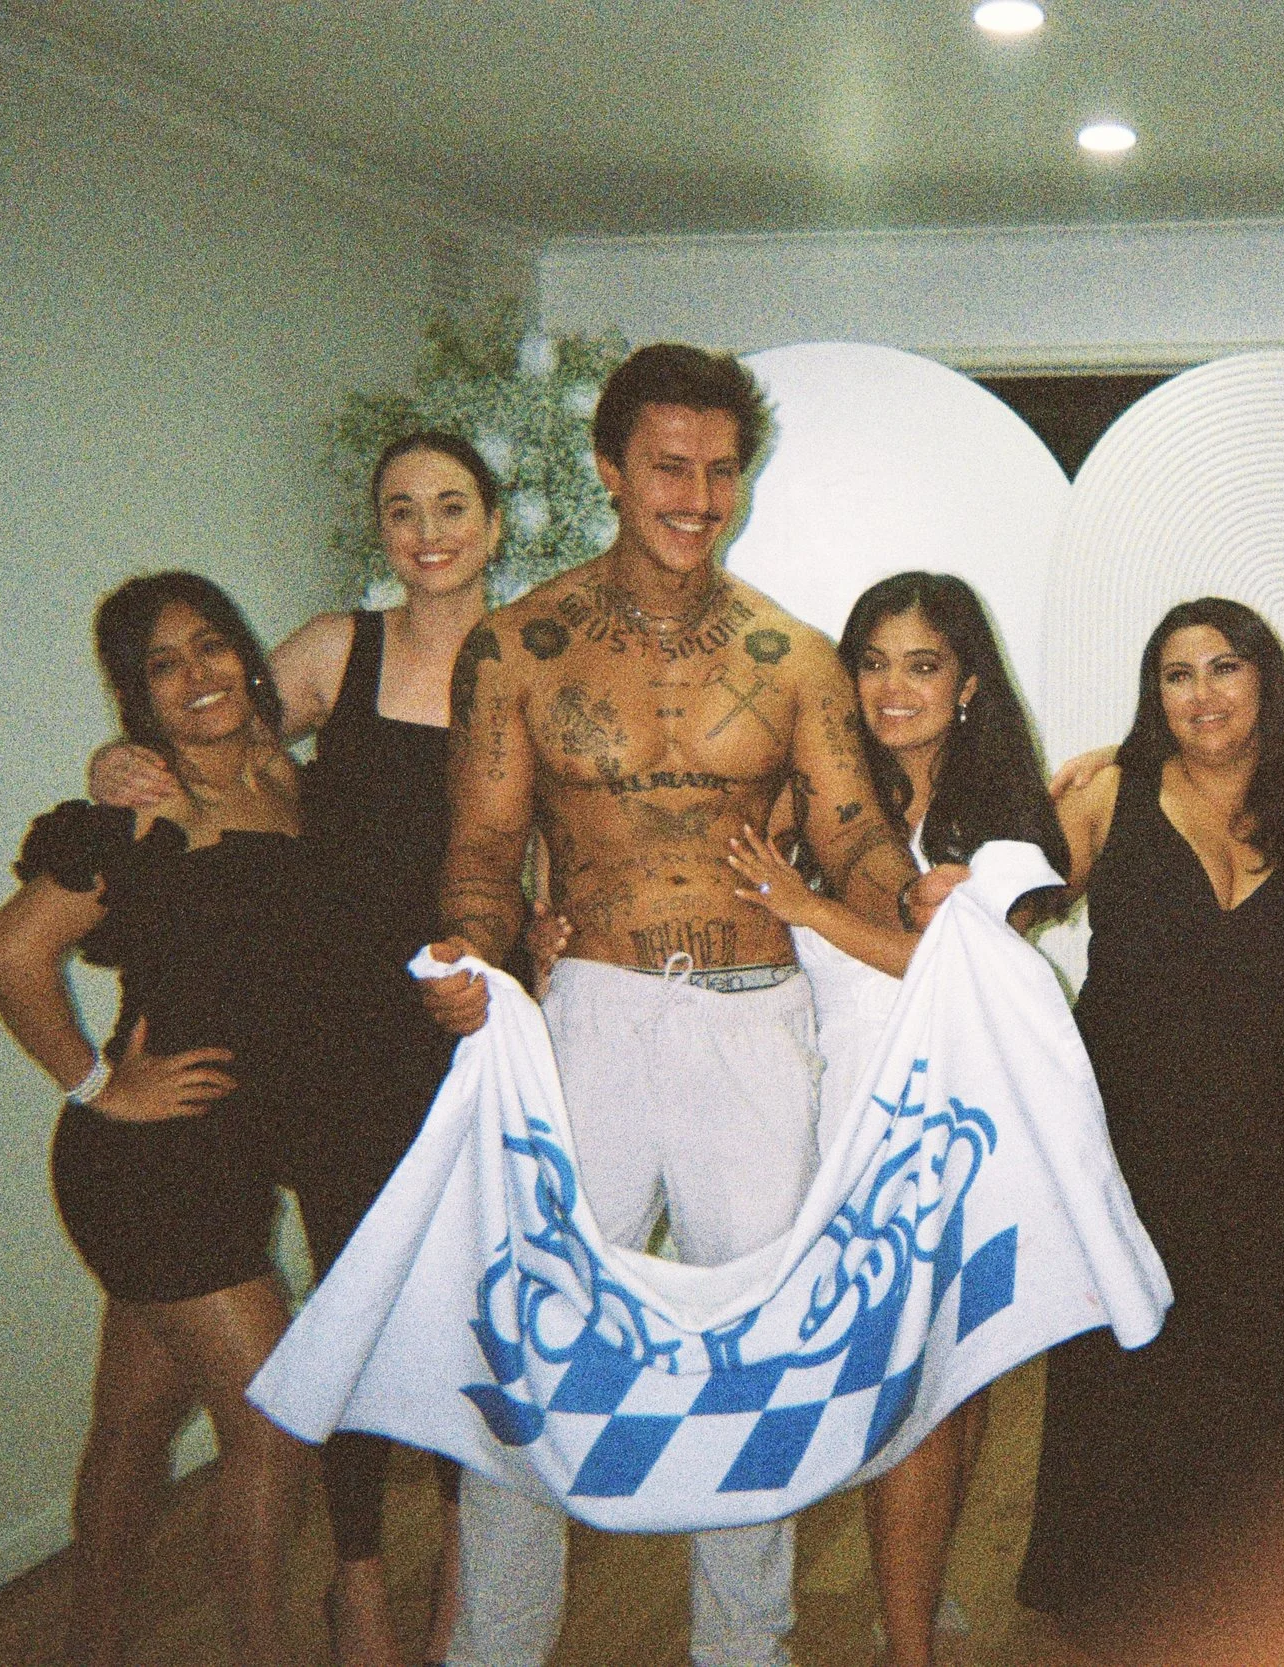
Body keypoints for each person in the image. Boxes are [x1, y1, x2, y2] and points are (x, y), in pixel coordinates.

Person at [419, 343, 924, 1667]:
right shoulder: (516, 645)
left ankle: (743, 1648)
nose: (696, 495)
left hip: (756, 1020)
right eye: (667, 467)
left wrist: (914, 900)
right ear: (608, 469)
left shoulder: (794, 653)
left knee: (755, 1351)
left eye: (718, 469)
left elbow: (855, 828)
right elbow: (480, 848)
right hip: (588, 1012)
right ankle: (494, 1648)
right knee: (533, 1345)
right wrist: (469, 951)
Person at [88, 432, 497, 1666]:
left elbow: (553, 829)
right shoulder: (337, 648)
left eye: (451, 505)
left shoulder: (531, 654)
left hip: (460, 1023)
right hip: (335, 1049)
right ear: (380, 528)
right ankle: (360, 1588)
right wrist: (114, 768)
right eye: (401, 509)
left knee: (470, 1318)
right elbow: (206, 737)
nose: (427, 531)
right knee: (358, 1313)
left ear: (491, 514)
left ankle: (461, 1592)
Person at [720, 570, 1069, 1666]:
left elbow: (952, 971)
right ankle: (909, 1637)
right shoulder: (809, 797)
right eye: (871, 661)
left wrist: (808, 906)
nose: (892, 687)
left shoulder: (1003, 818)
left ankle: (905, 1609)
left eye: (921, 664)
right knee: (906, 1392)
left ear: (967, 683)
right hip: (853, 1118)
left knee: (953, 1390)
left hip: (967, 1116)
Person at [0, 573, 310, 1667]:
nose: (197, 675)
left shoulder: (290, 782)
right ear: (139, 696)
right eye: (164, 664)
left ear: (248, 655)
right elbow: (10, 952)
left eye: (211, 646)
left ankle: (93, 1637)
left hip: (232, 1149)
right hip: (149, 1157)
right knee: (271, 1421)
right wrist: (96, 1084)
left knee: (133, 1419)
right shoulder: (142, 812)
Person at [1016, 598, 1284, 1666]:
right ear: (1153, 693)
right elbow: (1004, 908)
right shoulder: (1112, 792)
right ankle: (1117, 1601)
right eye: (1176, 674)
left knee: (1254, 1370)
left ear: (1266, 682)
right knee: (1127, 1363)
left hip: (1271, 1136)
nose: (1201, 694)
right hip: (1126, 1133)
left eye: (1224, 667)